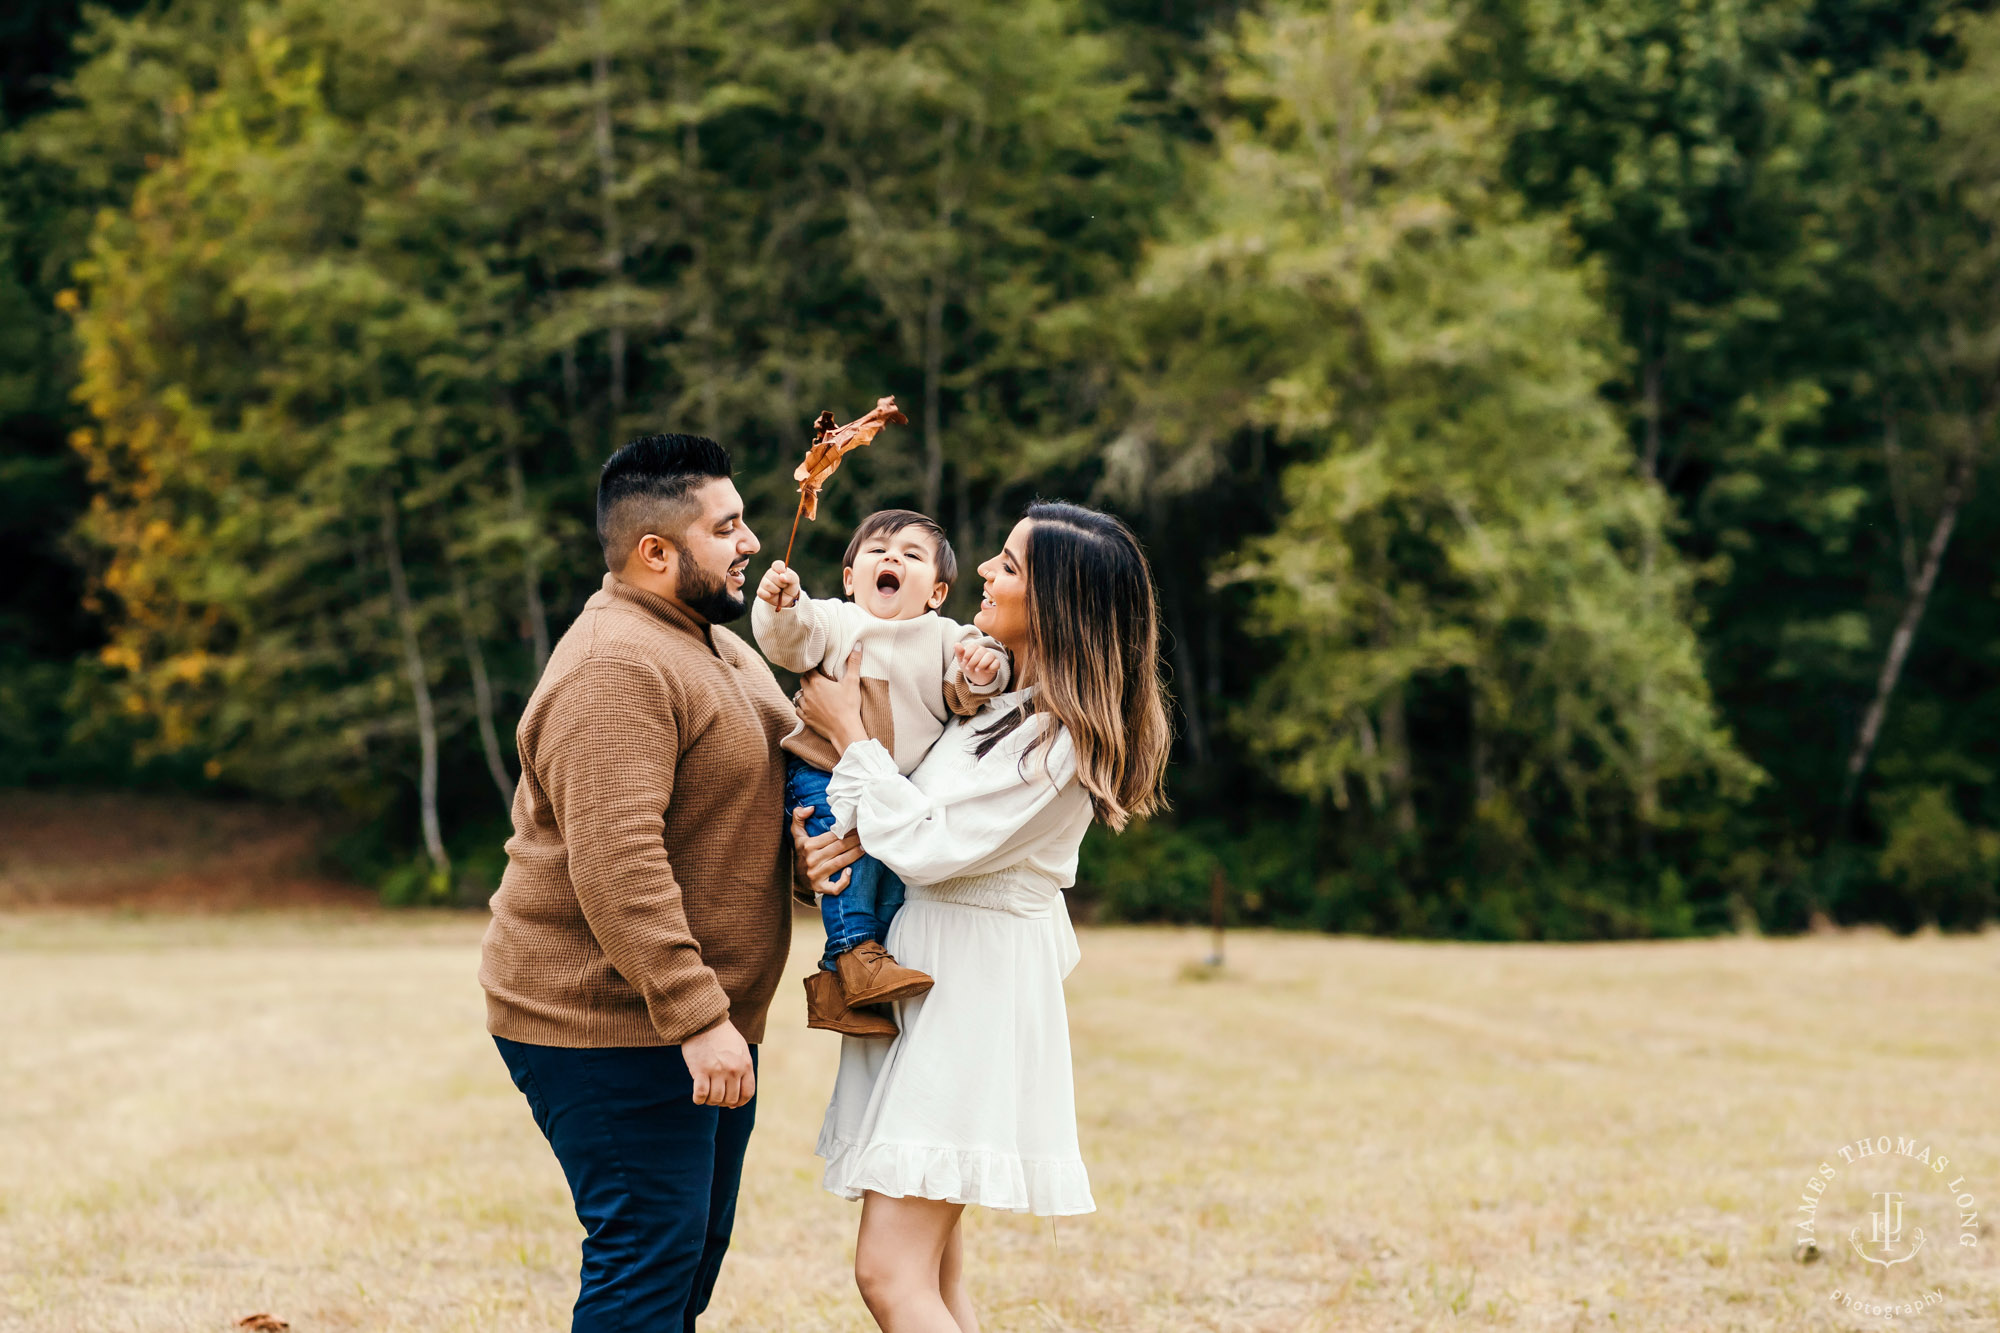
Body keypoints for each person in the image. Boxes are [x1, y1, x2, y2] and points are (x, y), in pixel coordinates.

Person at [790, 501, 1173, 1332]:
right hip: (931, 967)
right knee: (935, 1270)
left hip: (974, 988)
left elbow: (931, 844)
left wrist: (848, 730)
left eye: (1007, 564)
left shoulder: (1062, 740)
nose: (986, 576)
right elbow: (909, 822)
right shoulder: (999, 702)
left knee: (888, 1273)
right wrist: (833, 846)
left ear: (1058, 603)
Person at [478, 433, 796, 1332]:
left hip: (690, 1018)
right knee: (647, 1259)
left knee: (683, 1260)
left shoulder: (717, 649)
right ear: (656, 552)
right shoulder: (615, 665)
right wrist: (697, 1016)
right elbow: (617, 863)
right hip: (606, 1021)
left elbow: (777, 792)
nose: (749, 541)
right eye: (726, 525)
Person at [751, 508, 1011, 1038]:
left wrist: (986, 669)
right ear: (850, 580)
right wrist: (780, 605)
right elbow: (789, 639)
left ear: (936, 592)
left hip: (896, 791)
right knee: (850, 868)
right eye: (877, 551)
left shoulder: (944, 637)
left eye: (912, 555)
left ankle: (836, 985)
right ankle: (853, 951)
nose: (891, 557)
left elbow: (975, 679)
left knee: (892, 887)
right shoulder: (835, 622)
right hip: (825, 770)